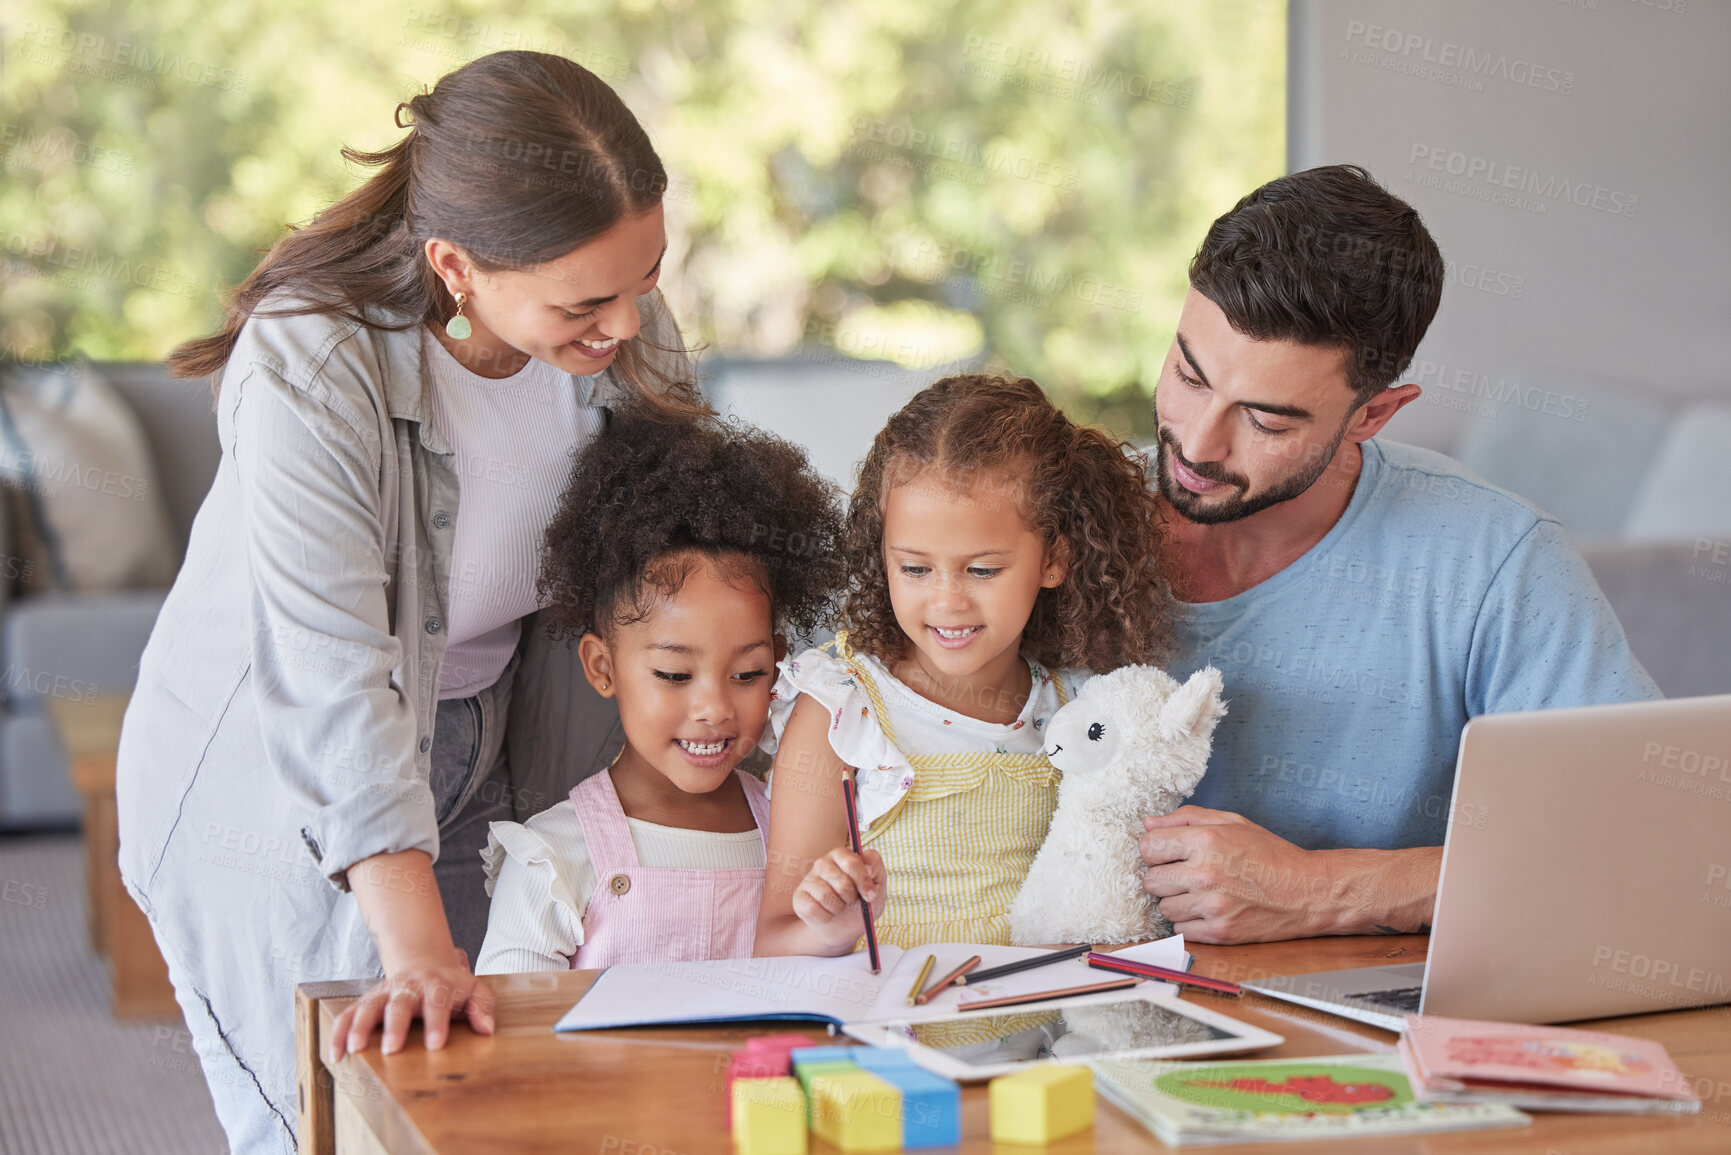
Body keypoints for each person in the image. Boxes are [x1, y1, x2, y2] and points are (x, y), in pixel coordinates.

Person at [116, 52, 703, 1153]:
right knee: (325, 1117)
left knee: (485, 1101)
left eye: (647, 277)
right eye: (586, 300)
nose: (627, 326)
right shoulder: (312, 363)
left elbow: (692, 564)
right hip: (277, 784)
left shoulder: (613, 338)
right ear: (457, 266)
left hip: (483, 746)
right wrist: (418, 950)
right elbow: (334, 672)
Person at [1135, 165, 1659, 945]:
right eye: (1187, 374)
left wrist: (1319, 889)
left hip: (1370, 1024)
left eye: (1266, 422)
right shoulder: (1043, 525)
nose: (1197, 442)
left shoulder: (1492, 559)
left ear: (1371, 414)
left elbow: (1643, 842)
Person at [754, 374, 1180, 954]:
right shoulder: (839, 711)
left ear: (1053, 558)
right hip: (892, 1038)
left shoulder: (1078, 708)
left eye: (982, 570)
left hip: (1049, 1036)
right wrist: (832, 927)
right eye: (914, 568)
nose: (947, 601)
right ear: (882, 556)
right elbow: (772, 946)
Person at [474, 409, 845, 972]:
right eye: (674, 675)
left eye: (748, 674)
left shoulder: (795, 833)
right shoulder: (554, 860)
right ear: (603, 667)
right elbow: (513, 1048)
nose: (715, 708)